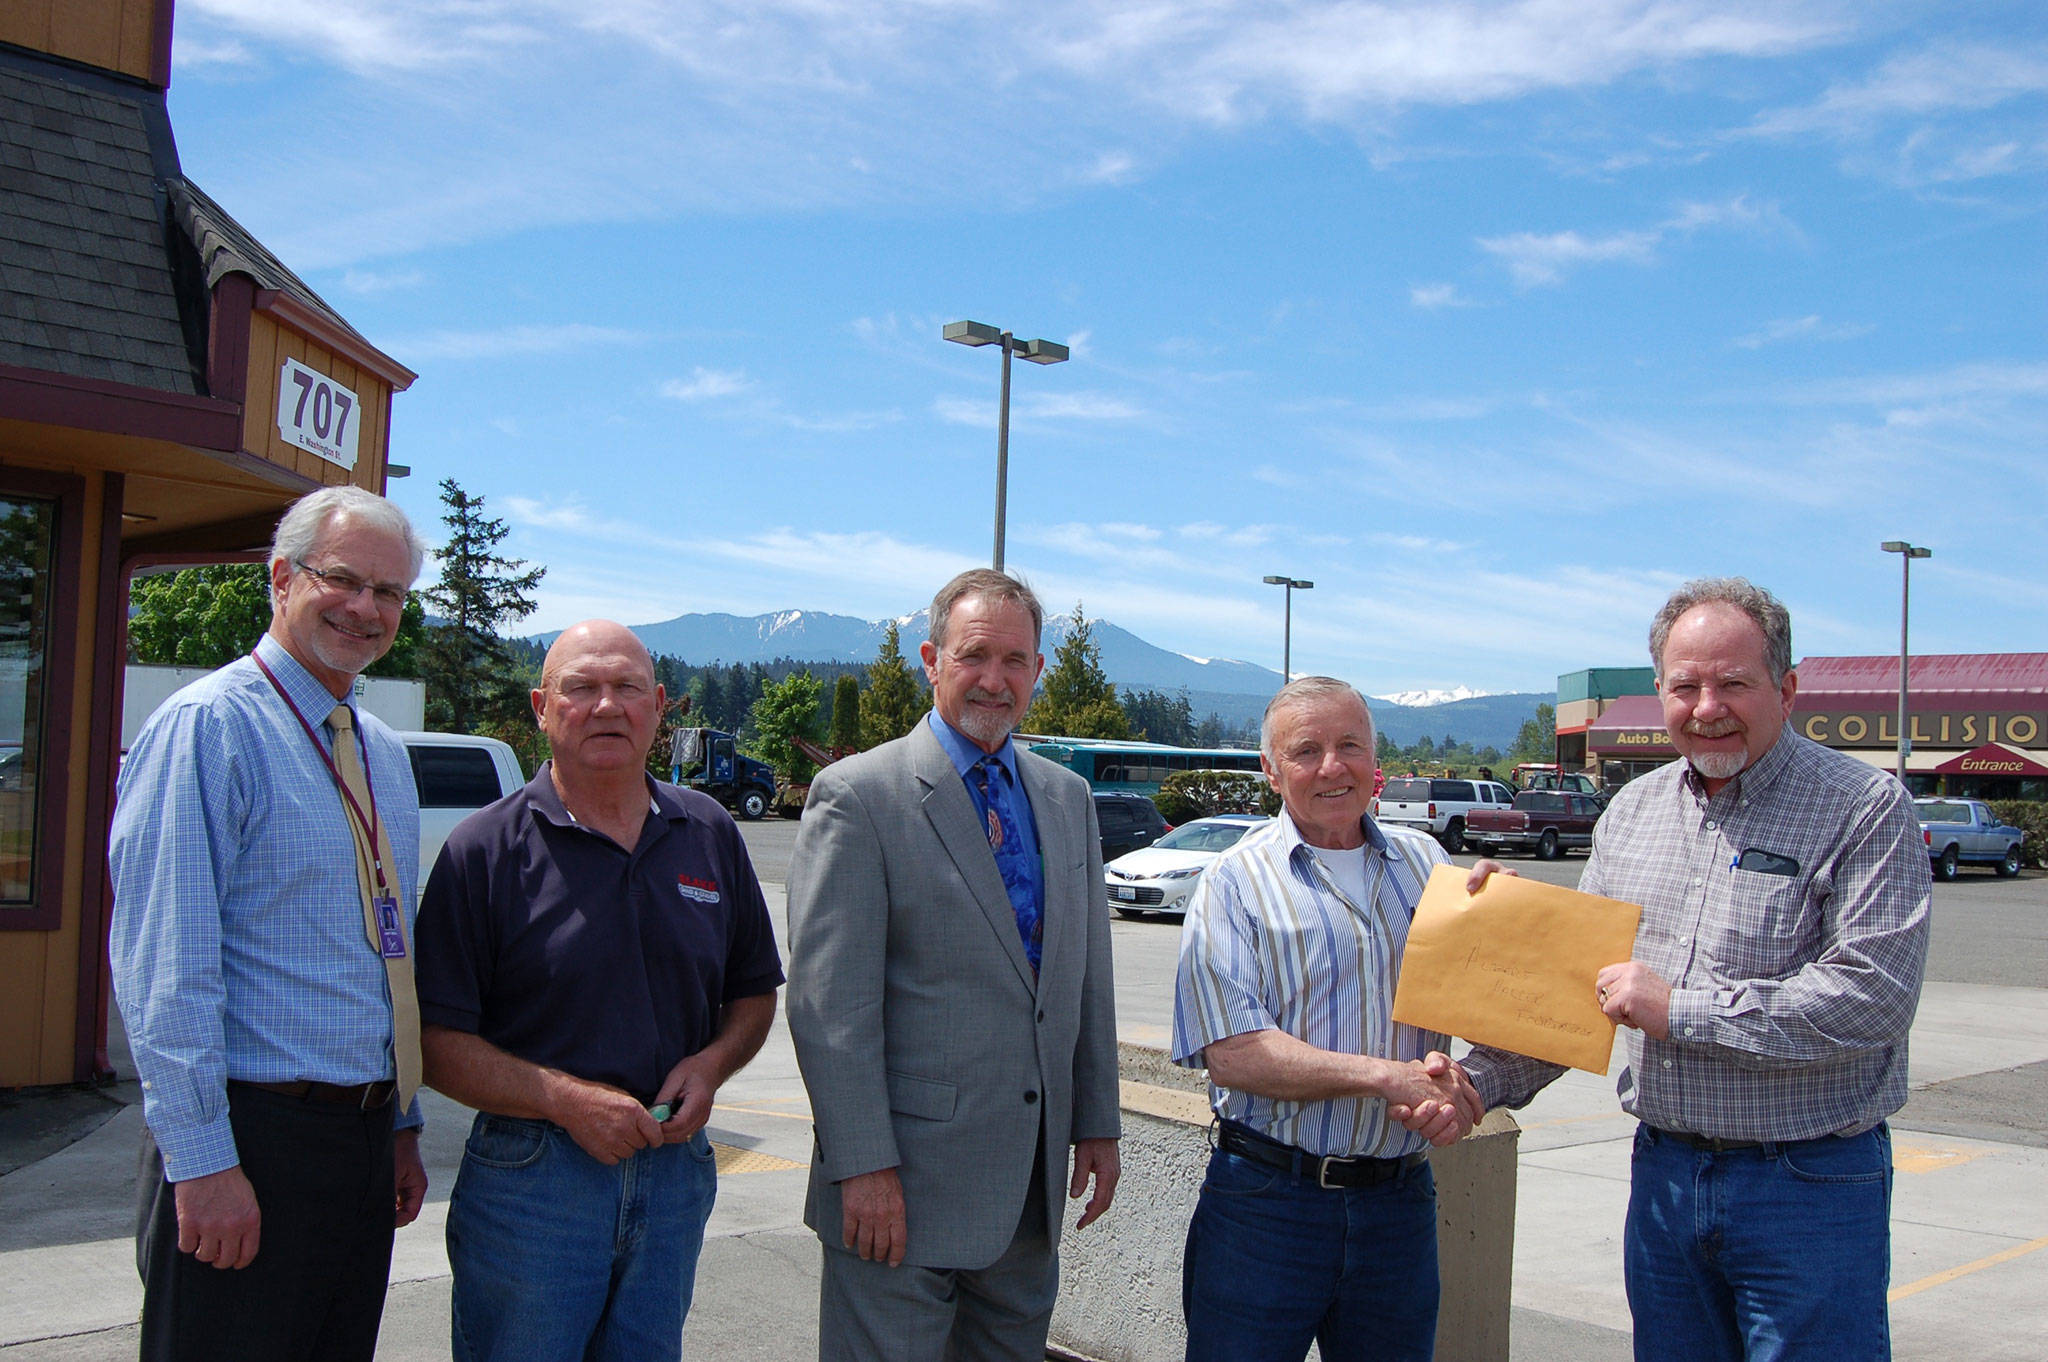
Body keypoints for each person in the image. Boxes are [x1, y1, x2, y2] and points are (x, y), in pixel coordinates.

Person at [1456, 578, 1931, 1361]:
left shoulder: (1864, 807)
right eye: (1685, 687)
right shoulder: (1632, 813)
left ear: (1786, 690)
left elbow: (1871, 995)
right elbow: (1579, 994)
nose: (1707, 707)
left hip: (1808, 1185)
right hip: (1665, 1177)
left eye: (1733, 684)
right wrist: (1476, 1081)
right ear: (1660, 694)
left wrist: (1680, 1010)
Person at [109, 485, 431, 1361]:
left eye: (388, 592)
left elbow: (383, 955)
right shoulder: (208, 729)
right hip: (250, 1139)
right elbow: (164, 970)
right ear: (282, 579)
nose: (365, 608)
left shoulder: (381, 752)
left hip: (359, 1143)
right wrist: (203, 1163)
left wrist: (400, 1124)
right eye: (343, 580)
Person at [413, 620, 782, 1362]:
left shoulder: (708, 831)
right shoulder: (483, 851)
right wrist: (563, 1100)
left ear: (660, 706)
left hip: (674, 1174)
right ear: (541, 708)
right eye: (581, 688)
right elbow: (433, 1043)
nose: (606, 705)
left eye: (627, 687)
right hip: (533, 1184)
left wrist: (712, 1066)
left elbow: (752, 991)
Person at [786, 568, 1120, 1362]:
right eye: (974, 656)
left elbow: (1085, 980)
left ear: (1038, 671)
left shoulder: (1067, 798)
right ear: (932, 661)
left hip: (1027, 1200)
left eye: (1015, 661)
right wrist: (863, 1166)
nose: (994, 680)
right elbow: (830, 1009)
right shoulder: (858, 796)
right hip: (898, 1197)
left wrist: (1096, 1122)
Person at [1171, 676, 1487, 1362]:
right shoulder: (1233, 882)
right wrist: (1386, 1077)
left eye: (1350, 745)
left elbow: (1487, 999)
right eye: (1306, 750)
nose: (1332, 767)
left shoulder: (1429, 864)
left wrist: (1513, 922)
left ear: (1376, 759)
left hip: (1399, 1205)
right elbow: (1232, 1053)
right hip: (1267, 1206)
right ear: (1271, 769)